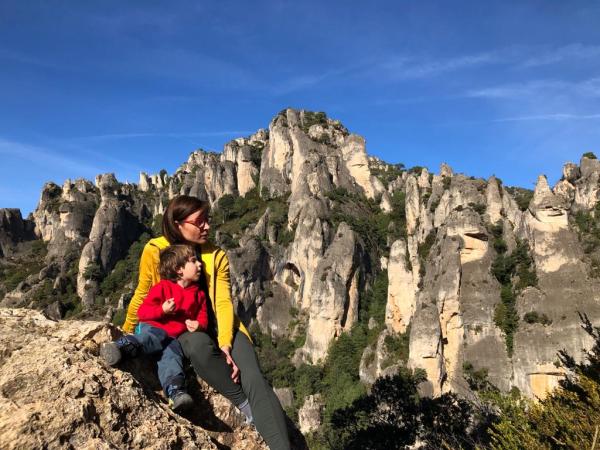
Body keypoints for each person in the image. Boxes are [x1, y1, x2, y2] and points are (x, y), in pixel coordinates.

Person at [123, 195, 290, 450]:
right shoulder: (155, 251)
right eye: (199, 222)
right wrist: (125, 331)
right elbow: (143, 292)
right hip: (186, 331)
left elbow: (223, 302)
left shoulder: (215, 255)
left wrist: (225, 344)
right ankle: (244, 405)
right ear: (177, 224)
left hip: (223, 327)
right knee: (196, 344)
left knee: (254, 378)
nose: (207, 227)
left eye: (207, 220)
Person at [101, 245, 208, 412]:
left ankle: (176, 393)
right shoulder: (163, 287)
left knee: (172, 358)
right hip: (154, 327)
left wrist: (199, 326)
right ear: (178, 269)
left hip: (173, 338)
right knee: (153, 337)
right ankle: (120, 347)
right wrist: (162, 310)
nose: (200, 264)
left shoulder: (199, 295)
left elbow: (203, 318)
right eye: (194, 261)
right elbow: (143, 313)